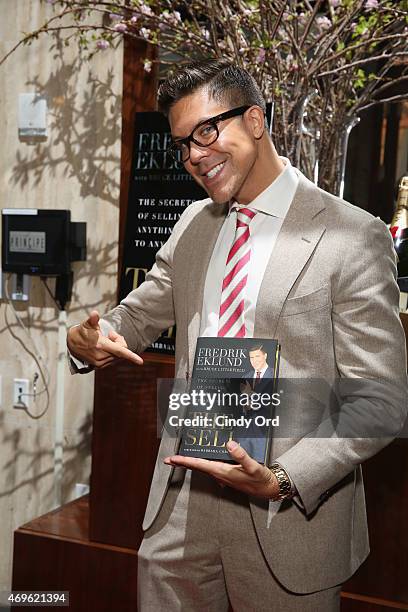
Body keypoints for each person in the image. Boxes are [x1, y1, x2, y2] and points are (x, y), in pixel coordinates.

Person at [67, 59, 408, 611]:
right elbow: (133, 317)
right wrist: (86, 341)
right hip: (180, 502)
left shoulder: (351, 234)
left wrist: (282, 478)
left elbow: (381, 398)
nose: (194, 156)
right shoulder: (193, 224)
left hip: (288, 513)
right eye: (182, 144)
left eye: (206, 132)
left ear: (254, 120)